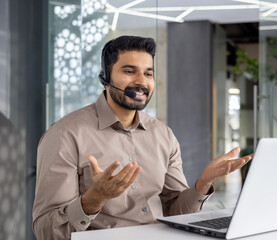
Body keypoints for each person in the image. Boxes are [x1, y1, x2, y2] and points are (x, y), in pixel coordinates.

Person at [32, 35, 253, 240]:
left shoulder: (162, 134)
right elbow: (45, 230)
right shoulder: (65, 135)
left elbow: (175, 211)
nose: (142, 82)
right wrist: (94, 199)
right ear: (105, 77)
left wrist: (203, 183)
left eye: (148, 73)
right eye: (129, 71)